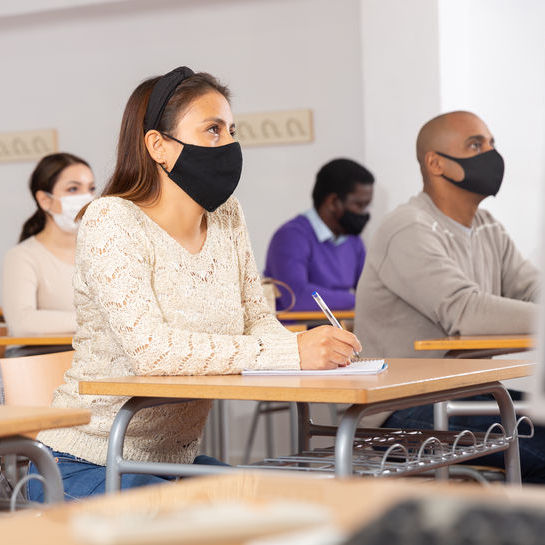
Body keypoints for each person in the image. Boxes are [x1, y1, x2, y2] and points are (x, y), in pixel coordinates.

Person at [29, 67, 361, 501]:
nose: (228, 144)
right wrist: (291, 351)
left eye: (231, 130)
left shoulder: (227, 215)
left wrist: (310, 354)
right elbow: (151, 351)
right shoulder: (111, 219)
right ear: (158, 146)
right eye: (212, 130)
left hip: (169, 461)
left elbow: (257, 319)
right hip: (85, 459)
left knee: (274, 503)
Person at [354, 111, 544, 483]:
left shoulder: (488, 226)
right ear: (436, 163)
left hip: (468, 393)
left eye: (491, 144)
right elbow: (465, 311)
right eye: (475, 145)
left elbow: (532, 287)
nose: (490, 154)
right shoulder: (408, 227)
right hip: (399, 408)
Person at [2, 153, 95, 354]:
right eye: (73, 189)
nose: (86, 197)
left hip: (95, 362)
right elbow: (22, 323)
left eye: (91, 189)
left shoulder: (99, 253)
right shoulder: (22, 256)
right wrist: (94, 319)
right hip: (38, 364)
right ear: (45, 200)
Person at [264, 158, 374, 311]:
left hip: (341, 330)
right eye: (359, 205)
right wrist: (355, 300)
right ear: (333, 202)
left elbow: (369, 294)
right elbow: (297, 297)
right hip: (298, 333)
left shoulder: (353, 241)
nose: (364, 213)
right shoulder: (291, 237)